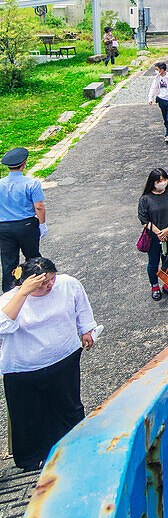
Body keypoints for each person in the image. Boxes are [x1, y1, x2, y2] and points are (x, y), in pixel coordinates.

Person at [0, 257, 96, 471]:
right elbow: (3, 325)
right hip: (24, 368)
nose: (48, 286)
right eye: (42, 284)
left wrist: (87, 329)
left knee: (68, 406)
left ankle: (74, 446)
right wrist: (23, 293)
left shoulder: (67, 284)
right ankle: (33, 458)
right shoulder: (10, 299)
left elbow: (81, 305)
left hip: (63, 357)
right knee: (29, 415)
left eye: (50, 280)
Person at [0, 148, 45, 293]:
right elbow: (38, 206)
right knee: (33, 259)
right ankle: (38, 286)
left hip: (5, 227)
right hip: (26, 225)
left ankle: (9, 293)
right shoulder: (32, 183)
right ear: (24, 164)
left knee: (8, 262)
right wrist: (42, 224)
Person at [138, 168, 168, 301]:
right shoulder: (146, 199)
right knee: (153, 262)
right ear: (153, 182)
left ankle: (167, 284)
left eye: (164, 180)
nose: (162, 183)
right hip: (154, 237)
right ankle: (155, 286)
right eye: (159, 181)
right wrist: (159, 233)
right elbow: (144, 219)